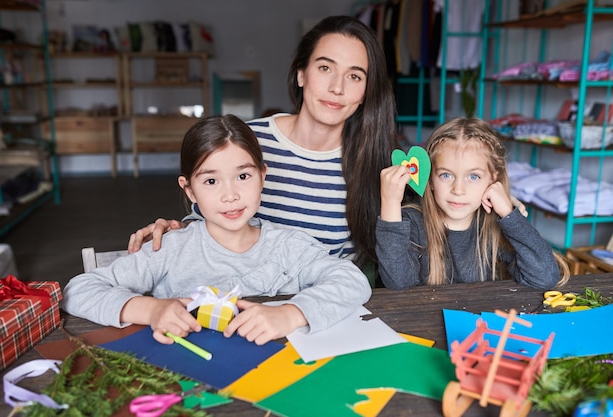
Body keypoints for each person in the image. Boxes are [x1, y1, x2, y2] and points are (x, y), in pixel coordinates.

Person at [127, 15, 398, 286]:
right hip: (244, 303)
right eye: (325, 68)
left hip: (322, 307)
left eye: (354, 76)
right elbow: (209, 219)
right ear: (301, 74)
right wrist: (177, 230)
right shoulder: (245, 141)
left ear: (365, 92)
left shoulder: (374, 160)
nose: (337, 88)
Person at [62, 115, 371, 345]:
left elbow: (352, 281)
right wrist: (152, 310)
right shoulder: (170, 250)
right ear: (190, 190)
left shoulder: (288, 246)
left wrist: (290, 314)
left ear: (263, 176)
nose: (230, 195)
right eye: (211, 181)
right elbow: (78, 290)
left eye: (243, 176)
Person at [376, 117, 570, 290]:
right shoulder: (412, 221)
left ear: (494, 179)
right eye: (446, 175)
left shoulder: (494, 223)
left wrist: (510, 215)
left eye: (474, 176)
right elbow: (398, 283)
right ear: (430, 179)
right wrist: (390, 204)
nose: (458, 190)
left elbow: (544, 278)